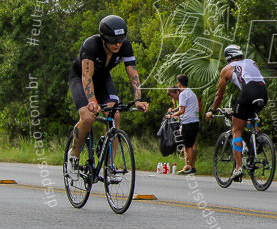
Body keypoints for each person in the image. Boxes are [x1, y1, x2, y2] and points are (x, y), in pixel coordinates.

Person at [67, 15, 149, 179]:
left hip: (103, 79)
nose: (117, 44)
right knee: (88, 118)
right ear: (104, 39)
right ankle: (73, 156)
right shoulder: (91, 45)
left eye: (120, 40)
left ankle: (110, 165)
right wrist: (92, 101)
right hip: (81, 78)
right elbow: (86, 76)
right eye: (113, 41)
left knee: (114, 115)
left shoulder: (124, 46)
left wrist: (138, 98)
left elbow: (133, 73)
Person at [205, 44, 268, 182]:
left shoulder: (227, 69)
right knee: (250, 115)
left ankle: (238, 167)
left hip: (248, 92)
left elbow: (219, 95)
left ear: (228, 56)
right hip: (263, 91)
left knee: (236, 129)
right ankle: (257, 138)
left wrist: (212, 110)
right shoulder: (252, 62)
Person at [166, 74, 200, 174]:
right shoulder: (191, 92)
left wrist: (172, 116)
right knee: (191, 144)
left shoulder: (183, 94)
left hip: (188, 123)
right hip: (195, 122)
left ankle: (187, 167)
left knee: (187, 146)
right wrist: (173, 111)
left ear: (179, 83)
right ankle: (192, 167)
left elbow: (182, 111)